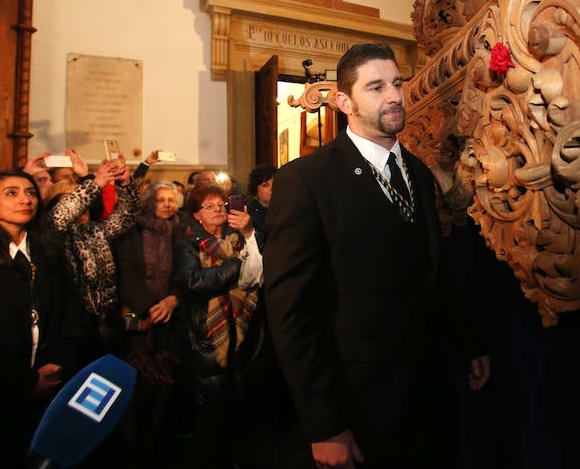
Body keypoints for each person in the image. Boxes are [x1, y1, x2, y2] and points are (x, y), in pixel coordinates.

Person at [262, 43, 491, 469]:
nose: (394, 96)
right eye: (376, 87)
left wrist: (468, 343)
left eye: (397, 83)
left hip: (430, 391)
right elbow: (291, 311)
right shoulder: (307, 180)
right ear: (344, 102)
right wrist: (324, 425)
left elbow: (431, 271)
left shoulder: (418, 172)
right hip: (361, 403)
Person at [0, 170, 83, 467]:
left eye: (30, 192)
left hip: (48, 390)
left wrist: (60, 362)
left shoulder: (49, 251)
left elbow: (71, 312)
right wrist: (24, 382)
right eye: (11, 193)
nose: (25, 199)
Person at [172, 184, 264, 466]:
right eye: (208, 206)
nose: (216, 210)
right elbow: (195, 283)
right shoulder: (188, 246)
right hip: (207, 340)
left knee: (237, 416)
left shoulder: (241, 240)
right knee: (210, 419)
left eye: (220, 204)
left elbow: (258, 273)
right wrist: (237, 263)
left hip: (242, 335)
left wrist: (249, 235)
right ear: (196, 215)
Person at [113, 179, 187, 467]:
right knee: (139, 392)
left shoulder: (184, 230)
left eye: (171, 199)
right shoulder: (133, 231)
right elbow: (127, 275)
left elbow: (186, 273)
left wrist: (173, 299)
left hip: (174, 317)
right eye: (160, 199)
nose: (167, 204)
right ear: (149, 203)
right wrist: (152, 306)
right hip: (141, 320)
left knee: (168, 393)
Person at [47, 156, 138, 361]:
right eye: (74, 201)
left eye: (86, 202)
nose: (82, 207)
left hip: (107, 321)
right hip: (73, 326)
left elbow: (127, 216)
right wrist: (95, 182)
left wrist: (125, 184)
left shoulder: (96, 230)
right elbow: (60, 216)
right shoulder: (53, 234)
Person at [245, 163, 275, 237]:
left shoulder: (286, 209)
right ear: (255, 189)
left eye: (275, 183)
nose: (272, 188)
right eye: (265, 185)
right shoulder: (249, 213)